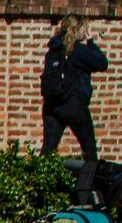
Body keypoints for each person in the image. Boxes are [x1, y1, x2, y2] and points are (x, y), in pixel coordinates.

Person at [41, 13, 108, 199]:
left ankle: (41, 190)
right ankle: (85, 193)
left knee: (48, 151)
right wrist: (91, 42)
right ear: (79, 30)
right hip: (74, 105)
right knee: (90, 152)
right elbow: (102, 63)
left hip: (52, 105)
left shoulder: (53, 49)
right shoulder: (78, 51)